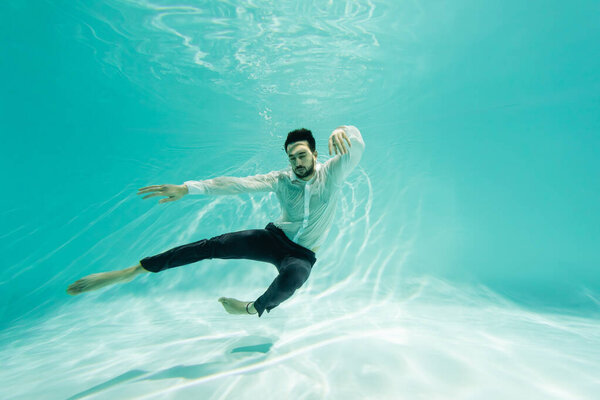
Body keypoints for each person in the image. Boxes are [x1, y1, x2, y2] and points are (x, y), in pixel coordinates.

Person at [66, 125, 365, 317]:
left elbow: (358, 145)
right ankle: (135, 270)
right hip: (273, 239)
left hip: (301, 255)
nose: (297, 163)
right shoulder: (281, 179)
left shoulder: (333, 173)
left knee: (293, 279)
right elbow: (234, 184)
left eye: (301, 155)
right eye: (291, 158)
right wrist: (187, 188)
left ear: (314, 153)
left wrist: (345, 130)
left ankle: (251, 309)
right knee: (214, 245)